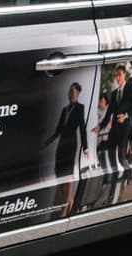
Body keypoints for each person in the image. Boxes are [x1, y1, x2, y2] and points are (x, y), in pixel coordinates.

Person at [43, 81, 89, 216]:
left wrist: (85, 148)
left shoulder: (80, 108)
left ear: (78, 94)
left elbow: (82, 128)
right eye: (69, 91)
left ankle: (65, 207)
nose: (70, 94)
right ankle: (71, 201)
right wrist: (46, 143)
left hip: (71, 144)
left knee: (68, 174)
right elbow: (57, 131)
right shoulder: (64, 110)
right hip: (61, 144)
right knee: (59, 174)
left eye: (73, 92)